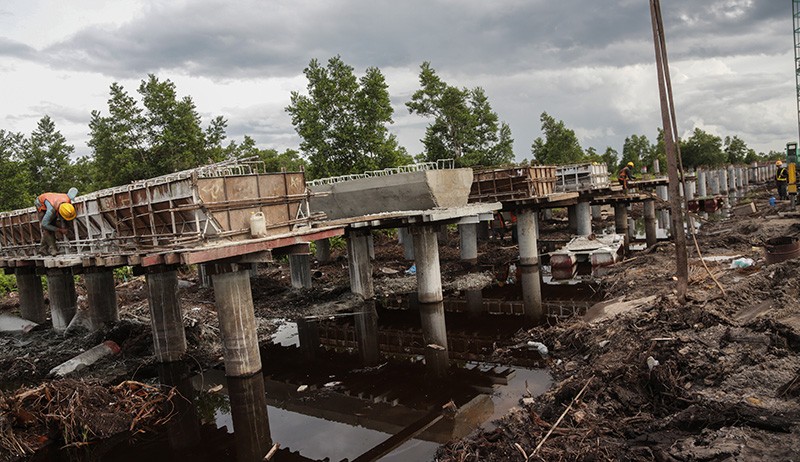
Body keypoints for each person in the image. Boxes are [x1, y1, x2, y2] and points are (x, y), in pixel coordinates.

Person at [36, 187, 78, 256]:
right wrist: (59, 229)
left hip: (53, 201)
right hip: (41, 203)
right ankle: (53, 249)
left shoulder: (68, 202)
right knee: (47, 228)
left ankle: (42, 249)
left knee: (52, 224)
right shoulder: (51, 211)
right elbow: (44, 224)